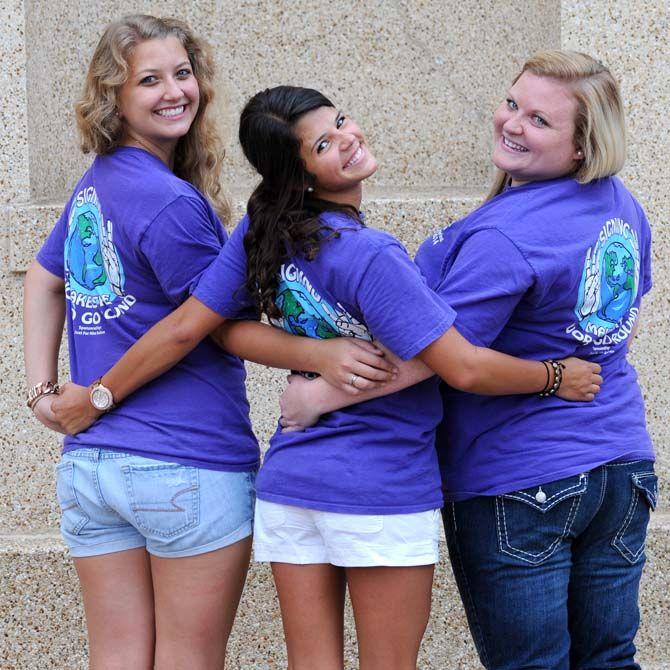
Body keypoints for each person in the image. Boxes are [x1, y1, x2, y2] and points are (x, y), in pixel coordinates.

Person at [51, 85, 601, 670]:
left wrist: (317, 362)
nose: (347, 137)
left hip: (293, 488)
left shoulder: (260, 231)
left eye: (340, 120)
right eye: (323, 142)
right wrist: (553, 376)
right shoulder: (373, 256)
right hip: (379, 484)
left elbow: (216, 327)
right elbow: (462, 365)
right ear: (302, 174)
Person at [22, 19, 394, 670]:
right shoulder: (168, 202)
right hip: (181, 463)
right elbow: (208, 323)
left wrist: (42, 391)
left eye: (182, 73)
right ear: (114, 96)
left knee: (115, 659)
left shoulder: (97, 185)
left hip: (92, 472)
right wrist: (319, 355)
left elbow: (45, 278)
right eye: (150, 80)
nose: (174, 91)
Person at [282, 52, 655, 670]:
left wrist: (326, 393)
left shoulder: (504, 235)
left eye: (539, 120)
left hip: (521, 478)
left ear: (584, 147)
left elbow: (436, 355)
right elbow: (624, 323)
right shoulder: (621, 206)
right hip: (622, 467)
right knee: (610, 659)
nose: (511, 123)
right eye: (512, 103)